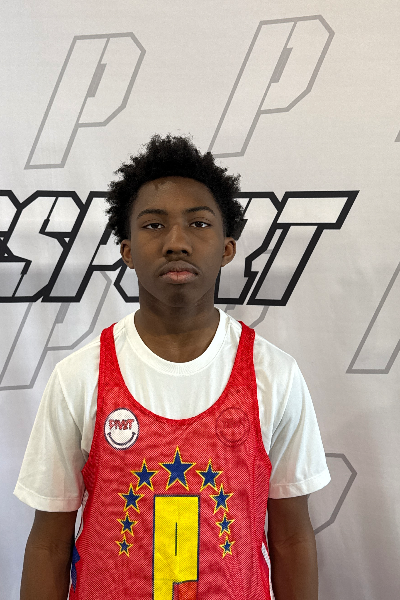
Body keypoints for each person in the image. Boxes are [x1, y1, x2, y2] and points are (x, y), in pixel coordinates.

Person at [15, 134, 330, 600]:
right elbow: (47, 546)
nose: (177, 243)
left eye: (198, 224)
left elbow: (291, 539)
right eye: (154, 225)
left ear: (227, 248)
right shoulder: (80, 377)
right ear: (127, 250)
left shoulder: (274, 375)